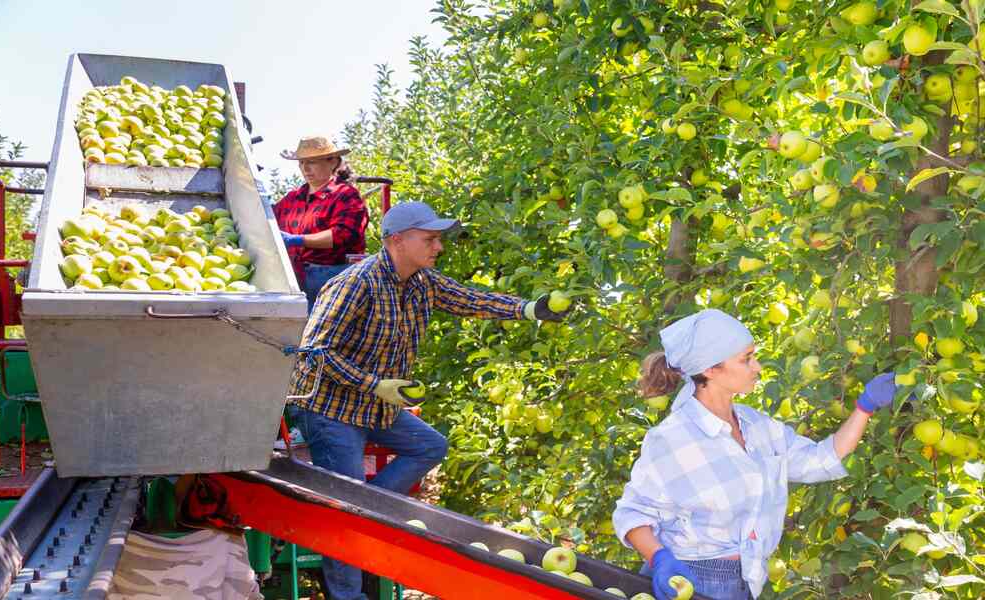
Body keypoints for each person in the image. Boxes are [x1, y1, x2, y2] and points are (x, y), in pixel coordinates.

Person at [286, 200, 571, 600]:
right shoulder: (357, 283)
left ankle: (371, 509)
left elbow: (468, 300)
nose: (438, 247)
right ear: (397, 241)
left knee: (429, 447)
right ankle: (347, 590)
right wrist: (374, 384)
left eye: (439, 239)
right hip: (331, 409)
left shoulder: (421, 281)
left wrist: (528, 309)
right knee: (345, 509)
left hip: (374, 406)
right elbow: (313, 353)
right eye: (430, 238)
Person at [613, 309, 899, 600]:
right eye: (746, 359)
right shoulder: (673, 439)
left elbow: (821, 461)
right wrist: (660, 559)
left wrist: (865, 406)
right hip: (689, 580)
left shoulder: (758, 427)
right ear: (710, 369)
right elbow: (632, 513)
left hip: (746, 582)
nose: (758, 366)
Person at [273, 135, 369, 311]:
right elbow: (268, 219)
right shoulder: (292, 198)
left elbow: (344, 234)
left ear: (332, 162)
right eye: (302, 163)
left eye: (312, 162)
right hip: (294, 281)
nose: (305, 168)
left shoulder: (346, 195)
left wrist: (299, 240)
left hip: (332, 282)